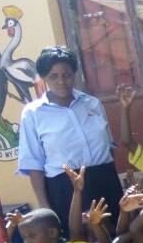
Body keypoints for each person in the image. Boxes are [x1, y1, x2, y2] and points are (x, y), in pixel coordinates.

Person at [17, 47, 124, 231]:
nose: (61, 81)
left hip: (105, 182)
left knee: (117, 237)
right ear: (44, 78)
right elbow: (34, 164)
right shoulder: (33, 113)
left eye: (66, 75)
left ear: (75, 74)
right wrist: (46, 209)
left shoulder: (92, 104)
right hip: (66, 190)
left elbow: (108, 148)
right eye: (53, 76)